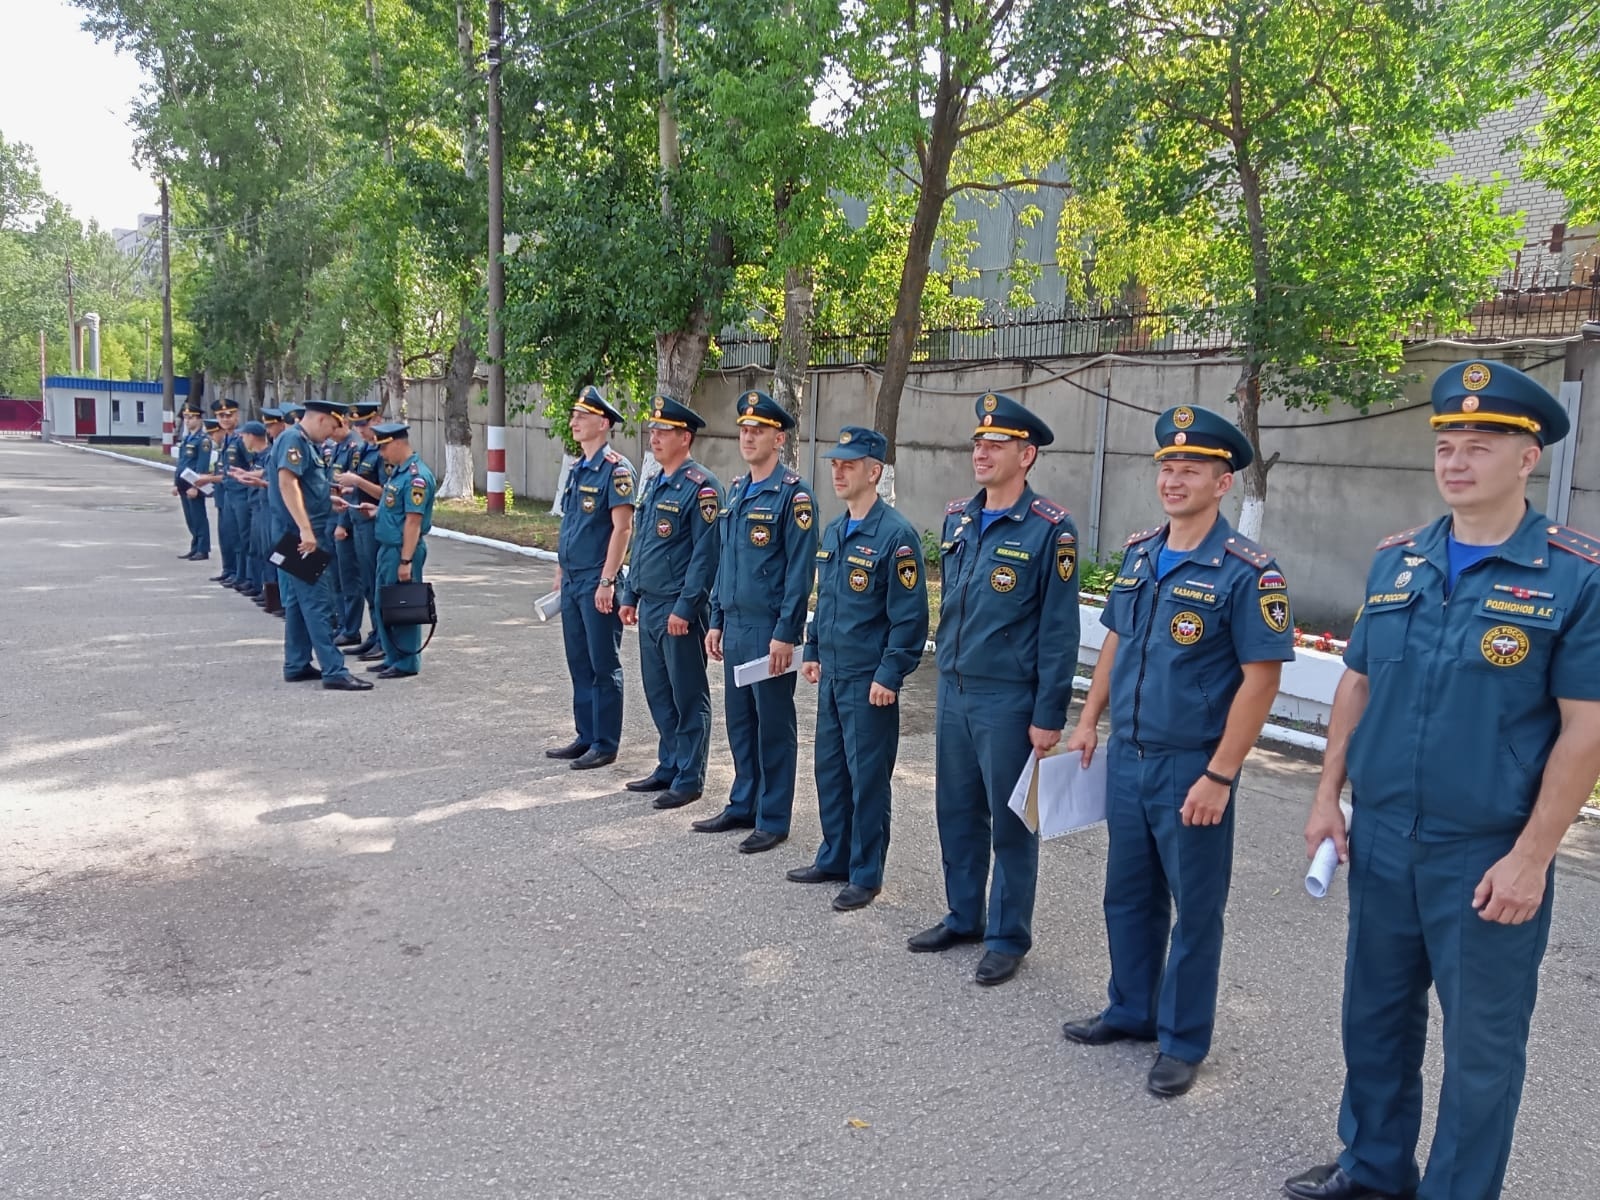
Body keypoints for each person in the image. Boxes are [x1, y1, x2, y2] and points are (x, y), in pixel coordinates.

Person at [1283, 361, 1600, 1200]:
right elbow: (1357, 682)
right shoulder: (1399, 562)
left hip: (1485, 853)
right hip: (1384, 836)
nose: (1457, 461)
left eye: (1482, 445)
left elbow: (1586, 731)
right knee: (1375, 1021)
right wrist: (1326, 796)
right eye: (1447, 445)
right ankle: (1374, 1168)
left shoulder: (1575, 576)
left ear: (1528, 458)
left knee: (1483, 1049)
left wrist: (1532, 857)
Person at [1060, 406, 1294, 1098]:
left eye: (1191, 468)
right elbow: (1116, 640)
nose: (1175, 478)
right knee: (1127, 894)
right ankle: (1132, 1009)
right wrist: (1088, 718)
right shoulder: (1140, 554)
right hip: (1129, 758)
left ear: (1223, 483)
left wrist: (1222, 773)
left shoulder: (1249, 572)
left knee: (1196, 907)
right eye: (1167, 465)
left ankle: (1183, 1038)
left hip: (1194, 765)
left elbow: (1263, 679)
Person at [908, 392, 1079, 986]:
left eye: (996, 444)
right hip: (954, 689)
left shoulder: (1050, 530)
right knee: (955, 810)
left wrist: (1049, 713)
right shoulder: (959, 517)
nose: (981, 452)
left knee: (1012, 821)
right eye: (978, 443)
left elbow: (1060, 630)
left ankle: (1008, 936)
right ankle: (963, 915)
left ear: (1026, 455)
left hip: (1009, 698)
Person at [790, 426, 929, 910]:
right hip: (832, 674)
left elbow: (910, 619)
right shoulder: (834, 530)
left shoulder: (896, 537)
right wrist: (812, 650)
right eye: (834, 463)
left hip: (869, 682)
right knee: (830, 770)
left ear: (874, 472)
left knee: (866, 778)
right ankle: (835, 855)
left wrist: (890, 675)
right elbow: (824, 599)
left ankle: (866, 872)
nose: (838, 471)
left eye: (849, 464)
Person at [694, 390, 819, 853]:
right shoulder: (737, 491)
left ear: (778, 438)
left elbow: (799, 570)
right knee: (740, 721)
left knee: (773, 723)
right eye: (744, 430)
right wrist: (717, 618)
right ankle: (743, 801)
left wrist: (787, 632)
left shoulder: (794, 496)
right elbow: (727, 560)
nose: (748, 437)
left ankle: (773, 815)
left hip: (770, 629)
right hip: (737, 624)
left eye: (758, 430)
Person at [617, 395, 723, 810]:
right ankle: (669, 762)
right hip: (650, 605)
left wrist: (686, 606)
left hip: (680, 609)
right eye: (652, 430)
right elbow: (642, 542)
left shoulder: (702, 487)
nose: (654, 437)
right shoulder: (656, 482)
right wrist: (630, 592)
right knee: (658, 692)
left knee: (687, 694)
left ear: (685, 437)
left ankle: (690, 775)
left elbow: (705, 554)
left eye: (662, 431)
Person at [547, 386, 635, 769]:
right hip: (572, 579)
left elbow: (622, 529)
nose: (574, 422)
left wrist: (607, 580)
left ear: (603, 423)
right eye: (573, 415)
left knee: (603, 663)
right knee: (578, 661)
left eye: (581, 416)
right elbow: (572, 523)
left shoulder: (616, 470)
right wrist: (560, 568)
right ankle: (585, 734)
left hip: (596, 581)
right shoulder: (578, 467)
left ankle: (605, 741)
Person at [266, 397, 373, 691]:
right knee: (319, 603)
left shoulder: (305, 442)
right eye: (333, 427)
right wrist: (305, 529)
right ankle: (334, 670)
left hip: (298, 534)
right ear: (322, 419)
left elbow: (305, 487)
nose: (331, 434)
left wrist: (328, 499)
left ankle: (296, 663)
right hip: (300, 538)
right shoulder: (294, 440)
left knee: (300, 605)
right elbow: (287, 483)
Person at [353, 422, 439, 679]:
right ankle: (392, 656)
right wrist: (378, 512)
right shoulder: (399, 473)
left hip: (402, 551)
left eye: (384, 447)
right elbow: (397, 510)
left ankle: (407, 662)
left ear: (398, 443)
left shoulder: (416, 477)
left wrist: (406, 561)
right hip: (388, 549)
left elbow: (413, 521)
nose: (381, 454)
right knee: (384, 604)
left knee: (403, 606)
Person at [333, 400, 385, 654]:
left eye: (364, 424)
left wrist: (356, 482)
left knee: (376, 583)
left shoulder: (383, 452)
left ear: (377, 420)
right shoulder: (363, 450)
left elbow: (385, 493)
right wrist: (349, 489)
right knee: (365, 583)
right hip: (358, 521)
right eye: (357, 425)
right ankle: (375, 635)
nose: (361, 430)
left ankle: (384, 638)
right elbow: (360, 487)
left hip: (373, 524)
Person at [229, 420, 274, 603]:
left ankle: (272, 594)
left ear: (253, 436)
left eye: (244, 435)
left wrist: (247, 475)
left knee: (270, 552)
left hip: (267, 508)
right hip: (257, 505)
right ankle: (259, 585)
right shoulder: (257, 456)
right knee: (258, 550)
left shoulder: (269, 455)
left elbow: (268, 476)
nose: (241, 438)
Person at [209, 398, 248, 589]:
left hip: (240, 493)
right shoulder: (227, 438)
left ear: (237, 415)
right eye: (220, 415)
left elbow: (252, 465)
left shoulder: (241, 439)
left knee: (240, 537)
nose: (225, 418)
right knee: (228, 535)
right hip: (227, 492)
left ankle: (241, 575)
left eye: (229, 414)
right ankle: (230, 570)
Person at [172, 402, 210, 560]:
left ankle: (203, 549)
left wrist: (196, 486)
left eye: (191, 417)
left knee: (198, 517)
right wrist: (175, 483)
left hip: (193, 484)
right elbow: (181, 463)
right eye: (185, 417)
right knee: (190, 518)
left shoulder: (203, 440)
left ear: (199, 419)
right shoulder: (187, 439)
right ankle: (195, 547)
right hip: (182, 484)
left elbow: (202, 465)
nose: (187, 421)